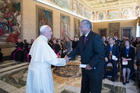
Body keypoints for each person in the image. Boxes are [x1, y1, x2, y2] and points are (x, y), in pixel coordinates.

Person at [26, 25, 69, 93]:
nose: (51, 33)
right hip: (41, 72)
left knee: (35, 89)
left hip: (34, 69)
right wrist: (64, 60)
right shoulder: (42, 43)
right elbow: (53, 60)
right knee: (44, 89)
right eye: (50, 31)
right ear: (45, 32)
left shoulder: (38, 40)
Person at [67, 20, 105, 93]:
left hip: (95, 69)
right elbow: (77, 49)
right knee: (84, 89)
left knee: (95, 90)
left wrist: (90, 64)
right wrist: (68, 56)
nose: (79, 29)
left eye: (81, 27)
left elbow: (100, 53)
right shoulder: (81, 38)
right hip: (85, 69)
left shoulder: (95, 37)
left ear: (87, 27)